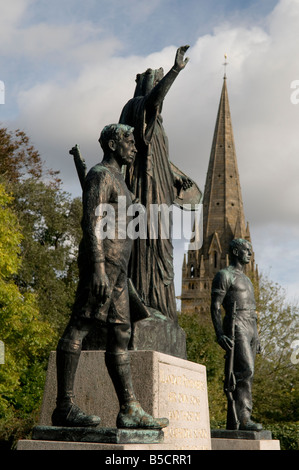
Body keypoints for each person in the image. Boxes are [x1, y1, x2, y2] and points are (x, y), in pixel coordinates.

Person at [51, 123, 168, 429]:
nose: (134, 146)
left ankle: (129, 408)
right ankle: (64, 406)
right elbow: (91, 221)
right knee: (80, 325)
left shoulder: (121, 181)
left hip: (119, 271)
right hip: (102, 266)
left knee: (121, 335)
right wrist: (99, 268)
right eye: (129, 141)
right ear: (113, 145)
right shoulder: (100, 175)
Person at [119, 45, 192, 323]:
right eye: (156, 83)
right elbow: (152, 101)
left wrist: (174, 176)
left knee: (162, 248)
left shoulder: (159, 126)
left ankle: (160, 307)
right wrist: (174, 71)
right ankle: (144, 304)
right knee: (147, 243)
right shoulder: (137, 107)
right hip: (144, 190)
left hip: (160, 190)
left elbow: (159, 158)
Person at [210, 238, 262, 431]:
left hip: (250, 326)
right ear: (235, 252)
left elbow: (252, 309)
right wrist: (219, 333)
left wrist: (256, 335)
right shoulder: (224, 275)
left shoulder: (247, 279)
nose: (249, 253)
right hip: (236, 323)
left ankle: (241, 417)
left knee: (249, 373)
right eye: (246, 250)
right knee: (245, 370)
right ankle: (243, 418)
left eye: (250, 249)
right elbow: (215, 306)